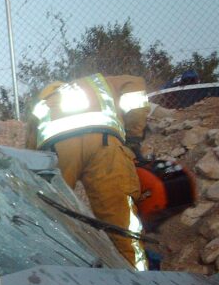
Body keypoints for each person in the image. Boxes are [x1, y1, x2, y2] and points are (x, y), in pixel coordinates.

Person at [26, 73, 147, 270]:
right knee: (121, 221)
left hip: (58, 149)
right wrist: (134, 135)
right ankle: (137, 276)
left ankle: (53, 272)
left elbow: (31, 150)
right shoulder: (100, 82)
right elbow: (136, 85)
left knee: (51, 212)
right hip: (104, 143)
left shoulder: (44, 100)